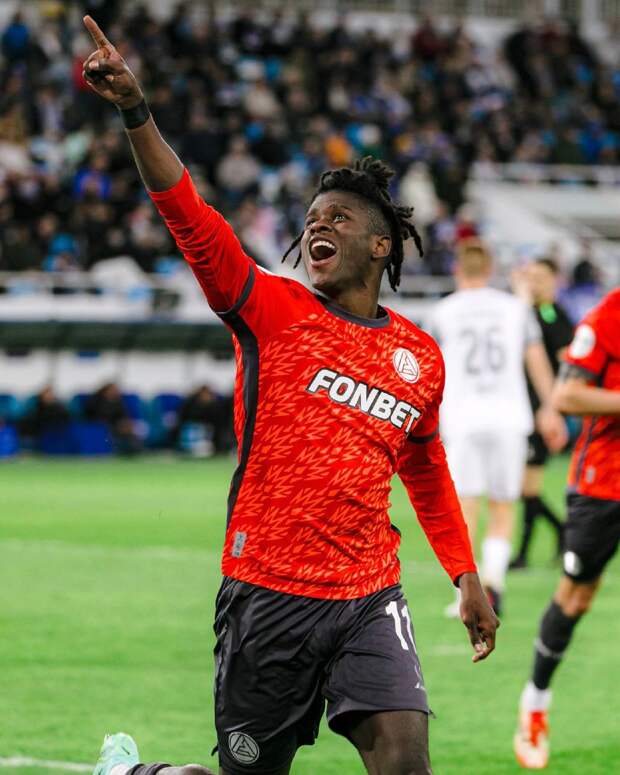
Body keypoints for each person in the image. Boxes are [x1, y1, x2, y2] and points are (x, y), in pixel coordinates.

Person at [81, 16, 498, 775]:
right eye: (311, 219)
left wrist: (464, 572)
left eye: (338, 217)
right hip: (268, 594)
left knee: (407, 764)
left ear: (381, 244)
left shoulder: (418, 355)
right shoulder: (269, 309)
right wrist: (136, 111)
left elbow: (424, 465)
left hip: (370, 594)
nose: (317, 226)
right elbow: (188, 214)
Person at [431, 240, 566, 618]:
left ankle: (464, 593)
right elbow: (537, 361)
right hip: (510, 416)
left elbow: (432, 368)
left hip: (463, 418)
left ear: (457, 270)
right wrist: (551, 408)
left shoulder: (443, 311)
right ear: (490, 270)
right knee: (503, 506)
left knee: (465, 508)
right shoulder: (515, 309)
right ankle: (494, 582)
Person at [514, 288, 620, 770]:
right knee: (577, 597)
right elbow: (566, 394)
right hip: (604, 485)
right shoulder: (608, 317)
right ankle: (534, 704)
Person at [509, 259, 574, 570]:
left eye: (540, 277)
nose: (533, 283)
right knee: (524, 487)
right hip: (522, 408)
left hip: (541, 411)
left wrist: (552, 406)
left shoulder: (552, 314)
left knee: (527, 486)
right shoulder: (527, 313)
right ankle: (560, 532)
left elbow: (567, 362)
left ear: (553, 280)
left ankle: (523, 554)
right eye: (530, 277)